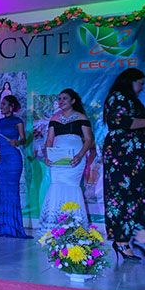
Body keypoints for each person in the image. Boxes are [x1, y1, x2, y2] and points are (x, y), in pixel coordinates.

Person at [103, 68, 145, 261]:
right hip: (121, 156)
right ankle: (121, 241)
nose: (142, 86)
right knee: (121, 197)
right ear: (130, 82)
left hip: (137, 158)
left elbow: (141, 124)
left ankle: (139, 234)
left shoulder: (133, 100)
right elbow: (122, 121)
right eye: (140, 82)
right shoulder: (117, 97)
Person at [40, 89, 93, 233]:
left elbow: (88, 140)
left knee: (72, 187)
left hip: (75, 159)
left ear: (73, 101)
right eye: (59, 99)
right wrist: (47, 156)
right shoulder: (54, 118)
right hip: (57, 160)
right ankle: (54, 228)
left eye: (65, 98)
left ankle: (74, 226)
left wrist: (80, 155)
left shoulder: (81, 117)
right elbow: (50, 140)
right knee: (56, 185)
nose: (61, 101)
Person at [0, 95, 31, 238]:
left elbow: (23, 139)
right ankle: (4, 228)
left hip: (13, 158)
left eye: (4, 104)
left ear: (11, 106)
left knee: (13, 192)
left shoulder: (18, 121)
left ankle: (14, 227)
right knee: (3, 192)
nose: (1, 106)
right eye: (1, 104)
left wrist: (17, 142)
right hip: (1, 159)